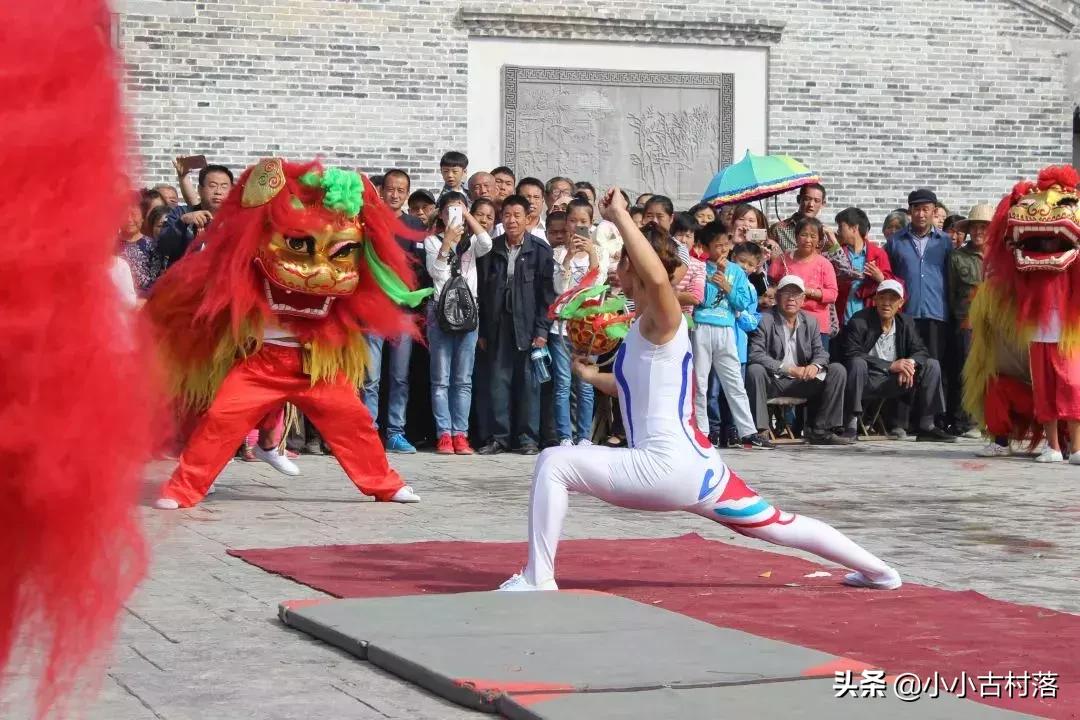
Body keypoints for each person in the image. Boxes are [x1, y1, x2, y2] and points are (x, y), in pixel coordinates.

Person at [498, 187, 902, 593]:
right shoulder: (643, 327)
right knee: (779, 524)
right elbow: (632, 390)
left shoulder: (664, 317)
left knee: (554, 462)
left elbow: (656, 277)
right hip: (701, 468)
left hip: (661, 467)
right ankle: (881, 572)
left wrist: (621, 216)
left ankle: (538, 577)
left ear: (634, 268)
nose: (614, 269)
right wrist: (588, 377)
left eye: (621, 261)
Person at [150, 158, 427, 509]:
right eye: (299, 246)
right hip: (262, 362)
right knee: (221, 418)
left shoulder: (344, 275)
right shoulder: (250, 264)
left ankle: (385, 484)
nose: (316, 270)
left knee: (354, 422)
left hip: (317, 365)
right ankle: (184, 488)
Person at [476, 195, 556, 455]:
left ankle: (528, 438)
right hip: (498, 325)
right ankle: (499, 437)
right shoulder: (492, 248)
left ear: (527, 218)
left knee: (529, 385)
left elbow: (547, 296)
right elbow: (483, 294)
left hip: (529, 325)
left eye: (517, 215)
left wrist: (542, 331)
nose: (511, 220)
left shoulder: (540, 250)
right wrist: (484, 331)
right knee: (498, 382)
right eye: (507, 215)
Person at [838, 280, 954, 442]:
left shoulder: (906, 322)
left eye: (892, 299)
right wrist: (891, 366)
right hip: (867, 379)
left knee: (931, 365)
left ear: (900, 303)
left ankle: (927, 426)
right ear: (875, 299)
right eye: (882, 297)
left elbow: (921, 351)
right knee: (857, 363)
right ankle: (850, 426)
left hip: (895, 381)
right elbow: (851, 352)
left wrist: (909, 364)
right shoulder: (860, 320)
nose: (887, 303)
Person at [692, 220, 772, 450]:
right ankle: (703, 431)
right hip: (702, 327)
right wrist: (712, 283)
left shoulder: (737, 272)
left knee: (734, 381)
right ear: (705, 247)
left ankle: (747, 430)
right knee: (701, 381)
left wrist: (727, 287)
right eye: (717, 246)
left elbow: (743, 303)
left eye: (725, 245)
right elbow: (700, 301)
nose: (723, 250)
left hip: (726, 328)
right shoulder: (699, 267)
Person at [745, 276, 852, 445]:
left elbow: (821, 353)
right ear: (778, 297)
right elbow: (755, 354)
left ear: (803, 300)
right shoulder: (764, 319)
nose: (791, 298)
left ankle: (821, 430)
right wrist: (787, 369)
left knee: (837, 370)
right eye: (787, 293)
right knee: (755, 370)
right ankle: (761, 431)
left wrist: (815, 366)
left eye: (796, 294)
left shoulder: (810, 321)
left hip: (802, 381)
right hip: (774, 380)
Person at [425, 194, 492, 454]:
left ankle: (460, 434)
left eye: (458, 209)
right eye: (449, 210)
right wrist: (447, 244)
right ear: (441, 214)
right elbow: (437, 273)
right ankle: (444, 434)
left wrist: (467, 216)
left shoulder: (471, 243)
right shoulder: (432, 241)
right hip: (439, 312)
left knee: (463, 379)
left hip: (468, 311)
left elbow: (486, 241)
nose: (453, 214)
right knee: (441, 379)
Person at [947, 204, 993, 439]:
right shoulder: (957, 257)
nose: (978, 231)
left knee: (993, 371)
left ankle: (992, 420)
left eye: (983, 227)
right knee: (967, 371)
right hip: (967, 323)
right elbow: (951, 291)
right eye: (975, 227)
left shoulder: (999, 255)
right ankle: (967, 422)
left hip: (995, 324)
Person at [768, 217, 838, 350]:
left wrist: (805, 291)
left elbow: (832, 294)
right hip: (786, 322)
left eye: (813, 236)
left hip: (817, 325)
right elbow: (771, 284)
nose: (808, 240)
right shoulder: (782, 260)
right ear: (796, 236)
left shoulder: (824, 264)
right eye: (804, 235)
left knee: (817, 364)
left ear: (819, 240)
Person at [833, 207, 894, 325]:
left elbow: (890, 285)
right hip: (842, 318)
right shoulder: (838, 253)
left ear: (854, 228)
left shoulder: (878, 254)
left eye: (841, 227)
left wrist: (880, 277)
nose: (838, 231)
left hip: (868, 319)